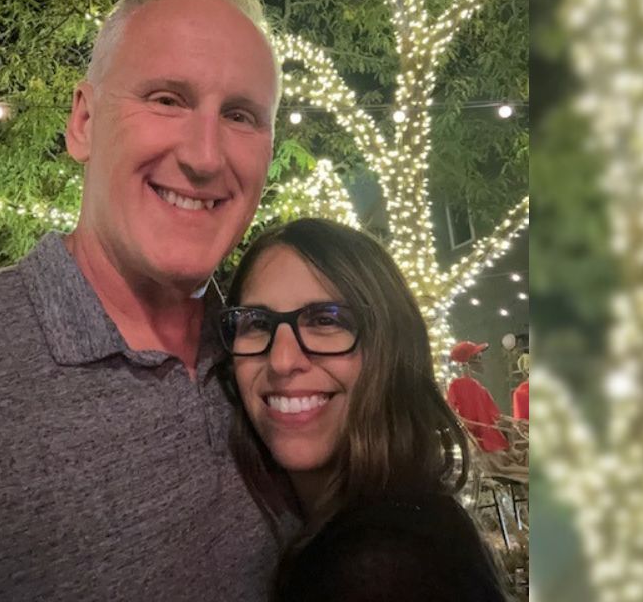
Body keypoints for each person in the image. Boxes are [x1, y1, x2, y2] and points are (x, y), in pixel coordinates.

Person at [0, 0, 284, 601]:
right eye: (167, 100)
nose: (205, 156)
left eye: (240, 115)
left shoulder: (270, 362)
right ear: (84, 122)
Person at [218, 218, 509, 601]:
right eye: (256, 323)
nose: (282, 360)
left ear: (389, 349)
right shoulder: (399, 519)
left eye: (325, 320)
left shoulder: (381, 565)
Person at [447, 340, 510, 452]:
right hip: (479, 441)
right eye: (477, 357)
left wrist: (514, 422)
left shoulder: (477, 385)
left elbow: (495, 414)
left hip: (491, 437)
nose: (481, 361)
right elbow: (451, 410)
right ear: (466, 363)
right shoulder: (456, 385)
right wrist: (466, 424)